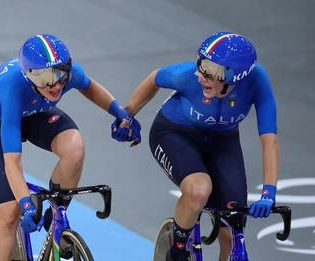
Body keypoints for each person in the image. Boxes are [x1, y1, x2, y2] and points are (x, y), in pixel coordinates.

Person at [111, 32, 279, 261]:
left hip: (223, 143)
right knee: (199, 191)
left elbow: (270, 140)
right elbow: (154, 78)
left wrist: (269, 193)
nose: (200, 76)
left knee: (233, 233)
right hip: (174, 133)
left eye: (210, 72)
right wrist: (127, 118)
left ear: (234, 77)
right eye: (201, 65)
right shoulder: (187, 75)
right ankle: (177, 249)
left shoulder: (256, 79)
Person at [0, 34, 138, 261]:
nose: (55, 84)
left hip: (34, 111)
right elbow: (12, 161)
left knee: (75, 148)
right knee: (9, 214)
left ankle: (56, 214)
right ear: (28, 76)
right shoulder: (12, 88)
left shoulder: (67, 76)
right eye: (43, 78)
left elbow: (89, 87)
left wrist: (121, 114)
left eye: (59, 74)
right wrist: (25, 203)